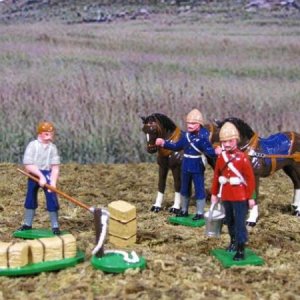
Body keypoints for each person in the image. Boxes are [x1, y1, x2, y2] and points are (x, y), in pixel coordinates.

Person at [155, 109, 217, 220]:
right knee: (184, 188)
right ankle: (184, 210)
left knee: (199, 188)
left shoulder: (203, 138)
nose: (190, 125)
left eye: (193, 123)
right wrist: (164, 143)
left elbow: (209, 151)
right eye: (188, 123)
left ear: (199, 124)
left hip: (197, 165)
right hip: (186, 165)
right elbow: (176, 146)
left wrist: (216, 151)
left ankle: (199, 212)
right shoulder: (186, 136)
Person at [210, 122, 256, 260]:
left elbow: (250, 179)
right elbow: (216, 176)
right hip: (226, 194)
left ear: (236, 140)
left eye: (230, 141)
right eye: (225, 142)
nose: (228, 144)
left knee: (240, 223)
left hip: (240, 195)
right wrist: (214, 193)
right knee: (229, 220)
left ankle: (241, 249)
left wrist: (251, 197)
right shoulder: (220, 158)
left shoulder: (242, 158)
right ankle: (233, 241)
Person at [18, 121, 61, 235]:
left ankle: (55, 226)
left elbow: (55, 167)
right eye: (47, 134)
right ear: (40, 133)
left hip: (48, 173)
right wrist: (40, 176)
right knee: (30, 197)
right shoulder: (33, 145)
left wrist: (53, 182)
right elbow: (28, 164)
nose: (49, 136)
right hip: (34, 174)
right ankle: (27, 224)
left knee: (52, 197)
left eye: (51, 134)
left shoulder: (53, 148)